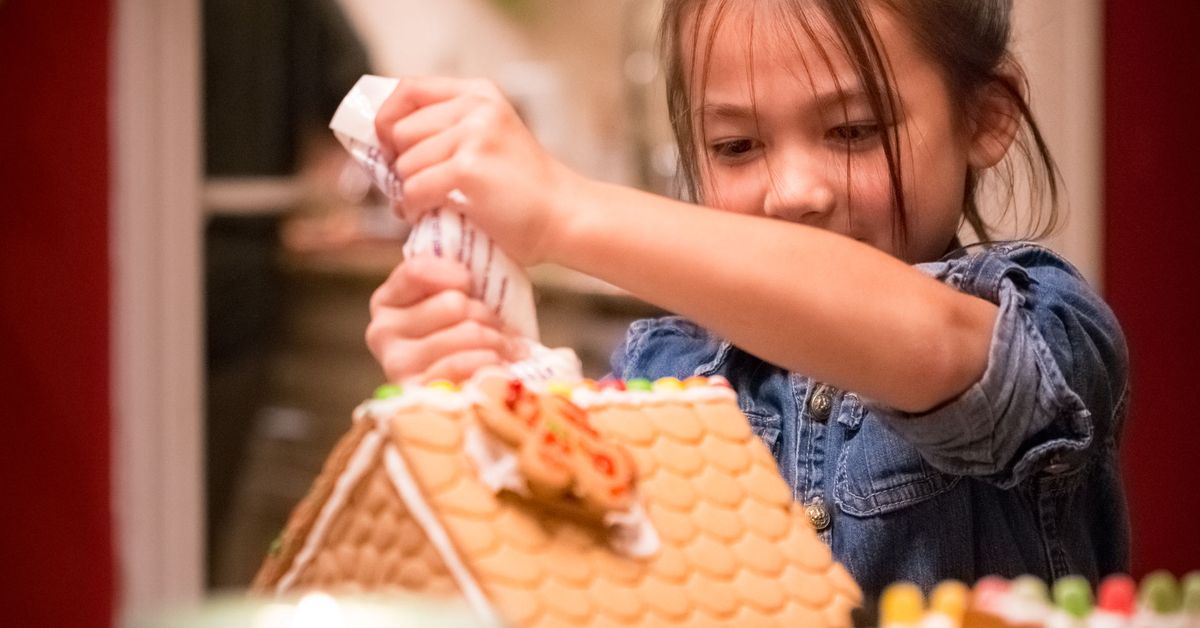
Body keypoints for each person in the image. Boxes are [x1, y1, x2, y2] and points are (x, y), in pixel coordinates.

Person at [364, 0, 1129, 621]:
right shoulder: (663, 369)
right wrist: (474, 391)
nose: (793, 190)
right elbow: (566, 573)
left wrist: (566, 211)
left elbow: (931, 345)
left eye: (854, 130)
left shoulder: (1044, 322)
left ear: (986, 118)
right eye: (736, 145)